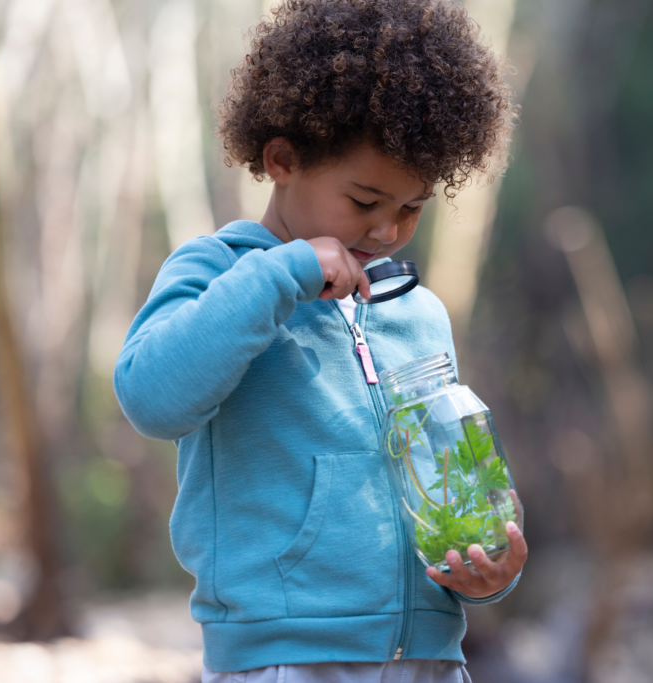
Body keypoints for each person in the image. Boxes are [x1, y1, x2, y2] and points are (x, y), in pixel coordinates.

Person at [113, 0, 526, 680]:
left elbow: (451, 485)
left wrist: (487, 569)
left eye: (411, 207)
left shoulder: (419, 313)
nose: (388, 230)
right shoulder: (221, 274)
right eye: (365, 202)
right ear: (282, 159)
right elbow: (151, 398)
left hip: (429, 659)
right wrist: (283, 275)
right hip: (289, 659)